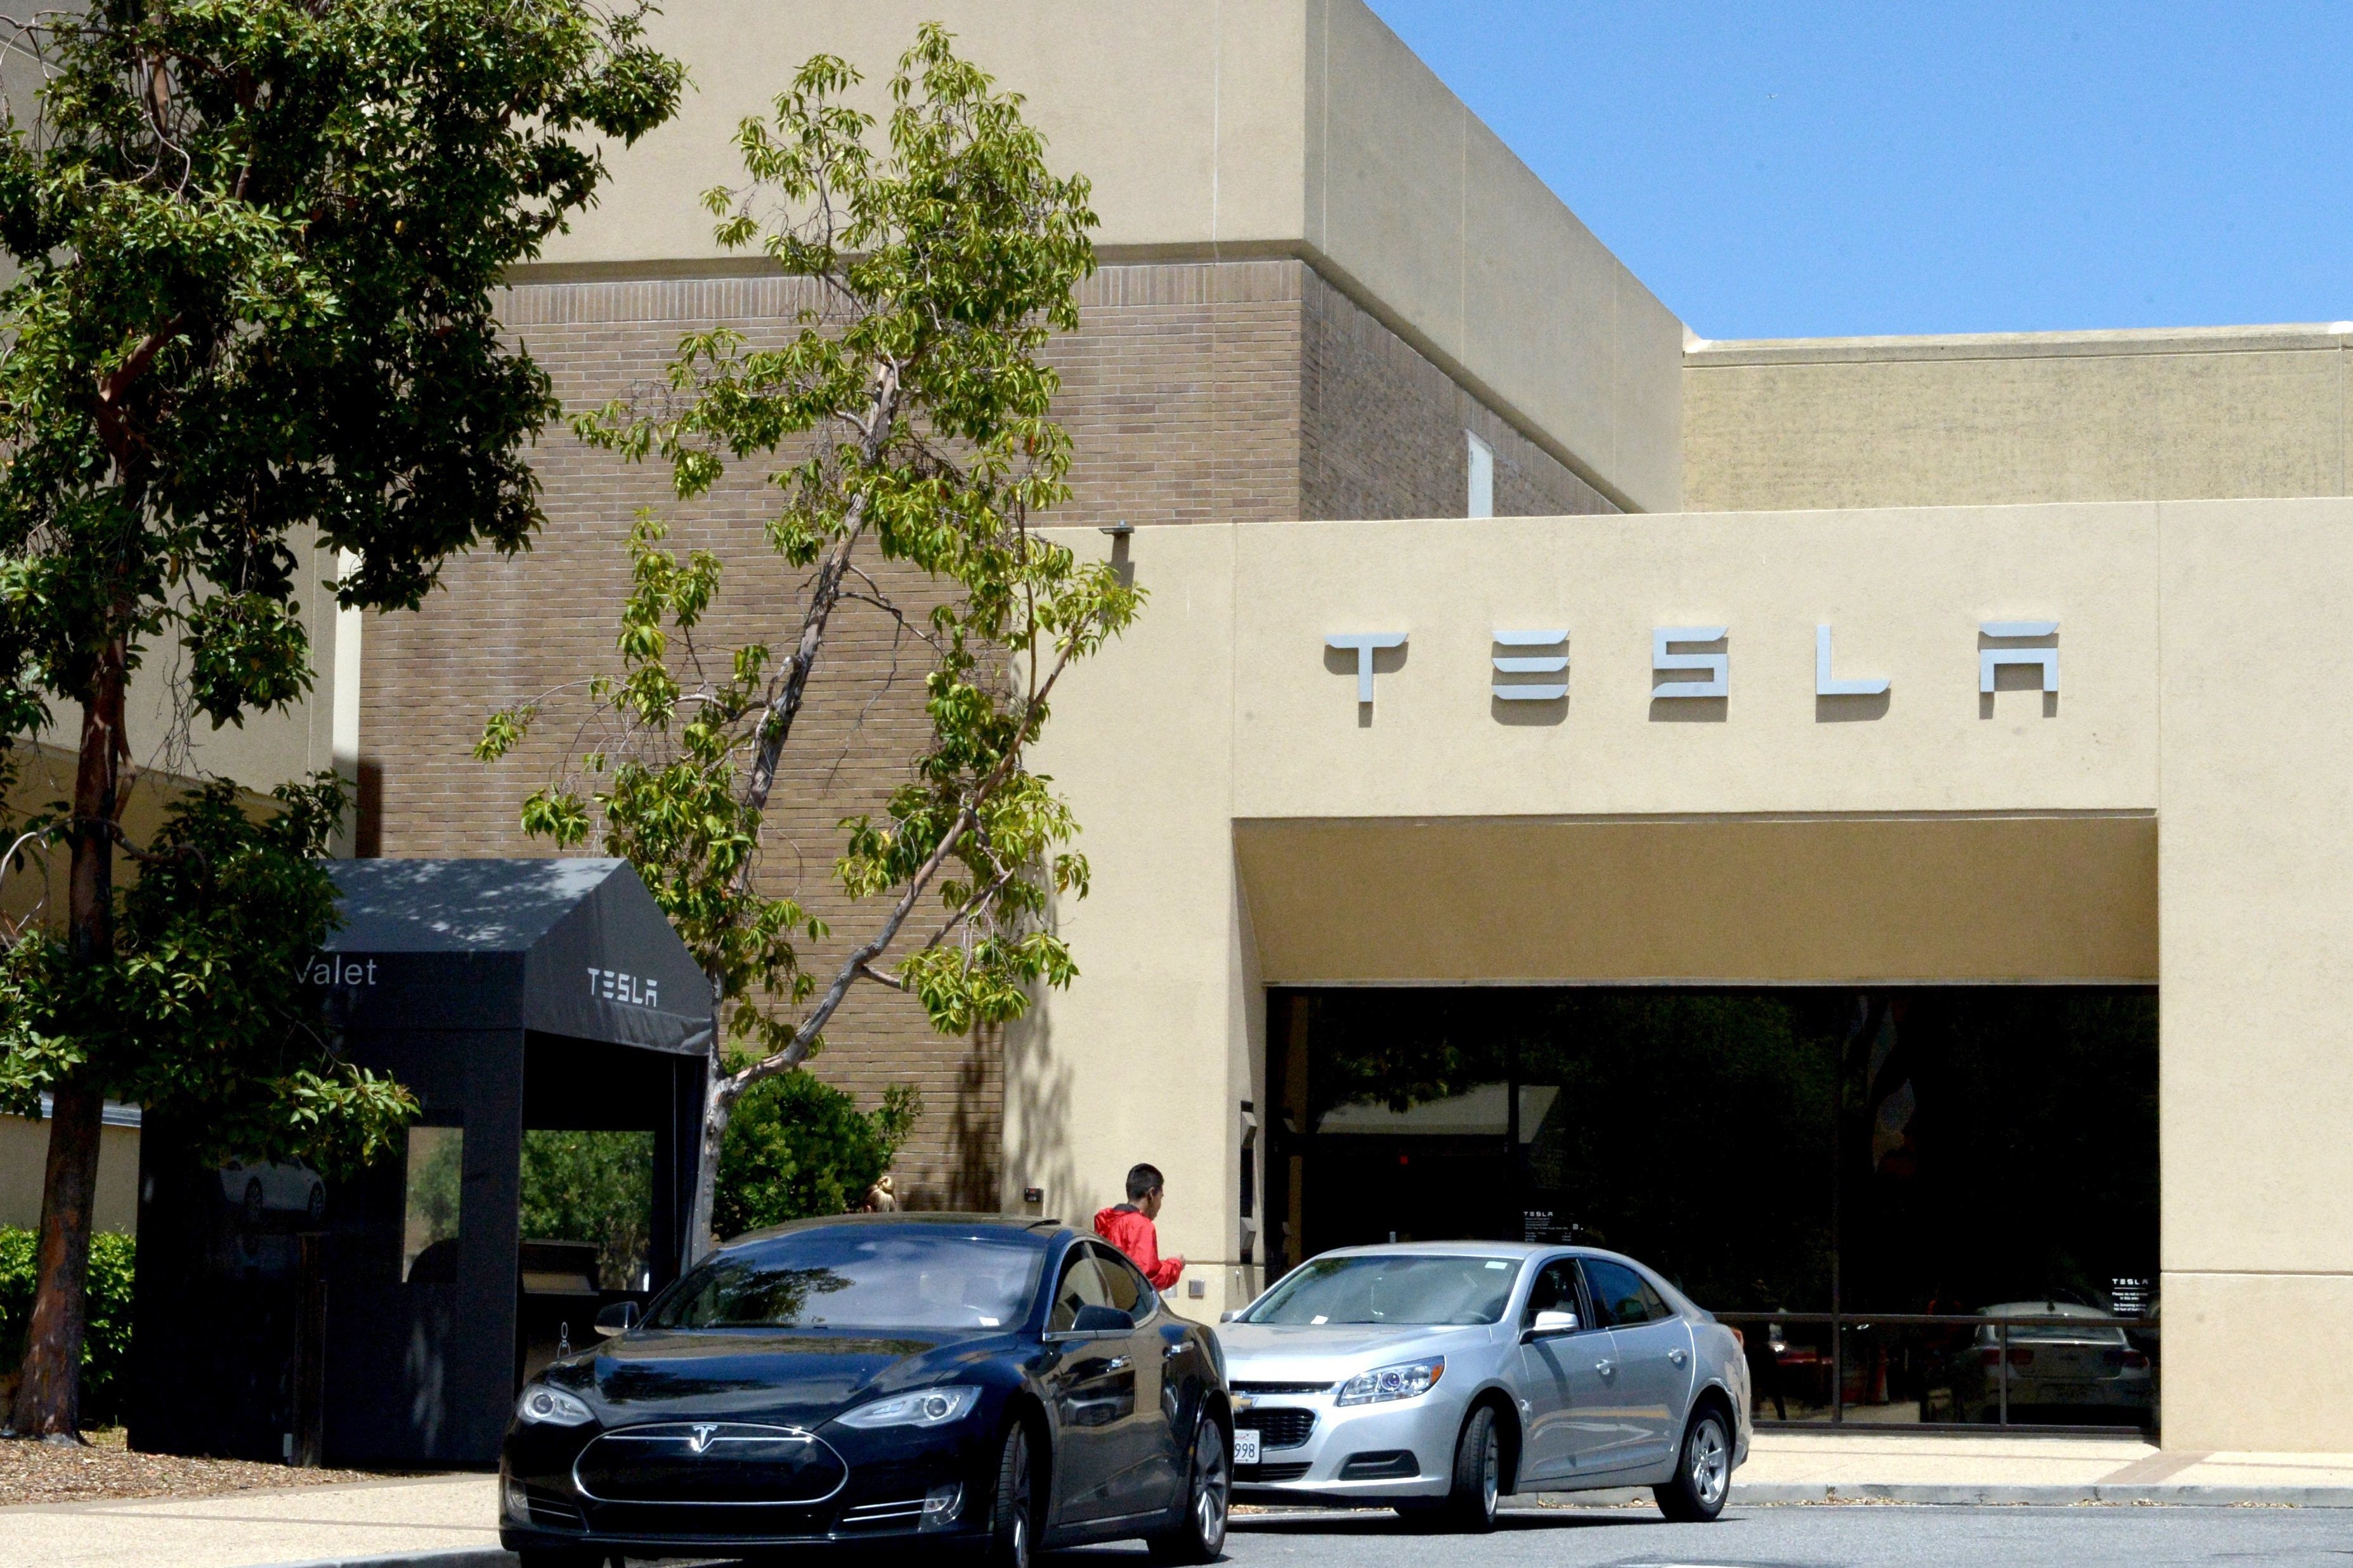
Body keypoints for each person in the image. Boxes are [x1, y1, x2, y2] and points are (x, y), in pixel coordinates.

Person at [1093, 1163, 1185, 1290]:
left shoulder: (1108, 1223)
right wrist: (1176, 1265)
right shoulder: (1140, 1225)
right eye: (1161, 1197)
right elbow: (1147, 1280)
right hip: (1130, 1308)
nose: (1160, 1205)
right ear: (1152, 1194)